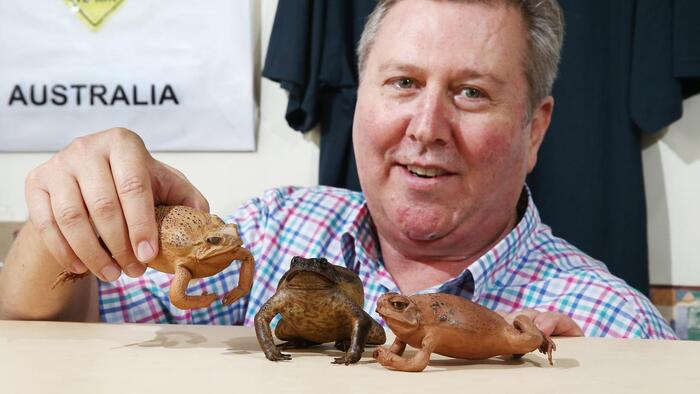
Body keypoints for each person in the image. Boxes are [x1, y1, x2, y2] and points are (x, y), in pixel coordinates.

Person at [0, 0, 676, 339]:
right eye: (403, 83)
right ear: (360, 99)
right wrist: (57, 231)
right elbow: (49, 327)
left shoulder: (615, 327)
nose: (427, 127)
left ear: (535, 130)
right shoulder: (269, 233)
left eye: (471, 92)